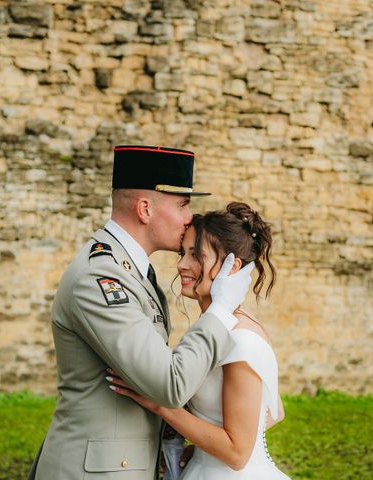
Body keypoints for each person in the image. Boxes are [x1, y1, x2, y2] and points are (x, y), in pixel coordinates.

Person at [29, 145, 255, 480]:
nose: (189, 217)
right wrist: (220, 310)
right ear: (145, 209)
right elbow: (168, 385)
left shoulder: (131, 270)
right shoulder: (100, 277)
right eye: (183, 204)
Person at [107, 202, 290, 479]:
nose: (181, 264)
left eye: (196, 255)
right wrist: (205, 450)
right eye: (183, 253)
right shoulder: (218, 328)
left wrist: (161, 405)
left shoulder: (242, 339)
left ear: (232, 266)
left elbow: (238, 454)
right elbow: (274, 411)